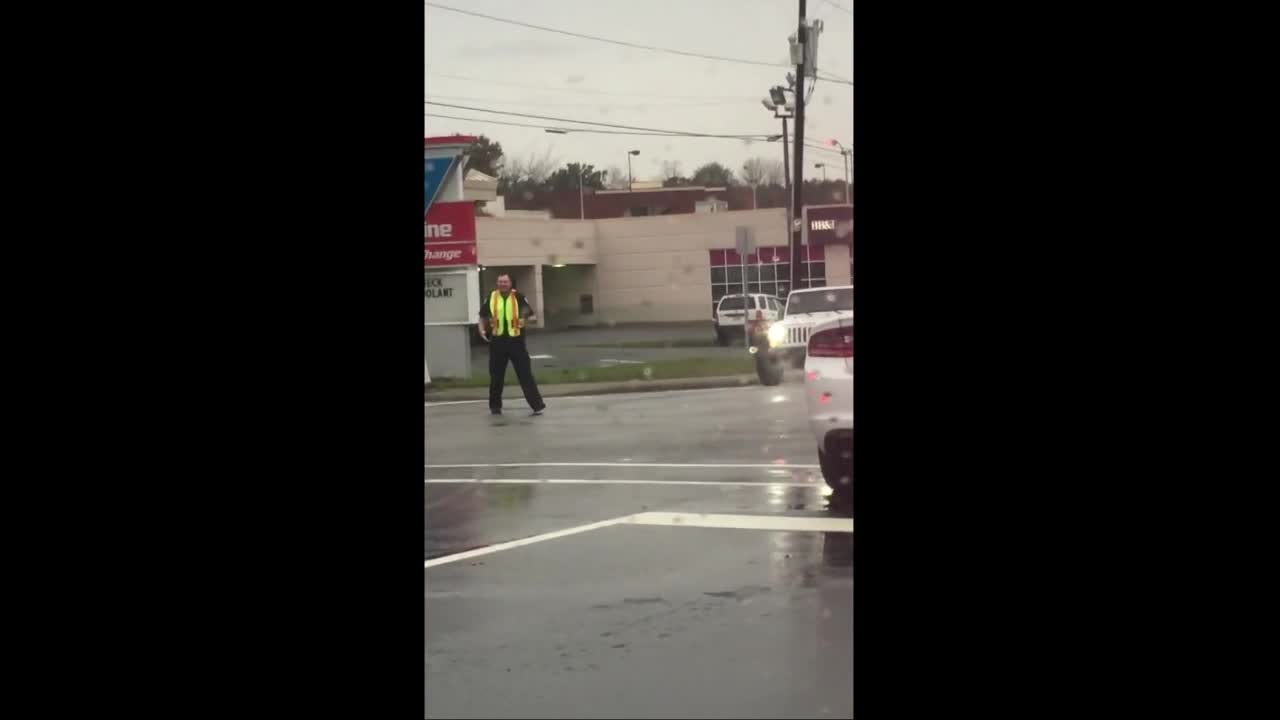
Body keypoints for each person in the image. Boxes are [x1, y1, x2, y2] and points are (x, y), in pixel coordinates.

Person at [478, 274, 546, 416]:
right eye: (500, 282)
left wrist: (527, 319)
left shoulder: (519, 297)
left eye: (505, 281)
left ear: (510, 283)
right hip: (497, 342)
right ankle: (495, 407)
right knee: (496, 376)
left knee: (525, 374)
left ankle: (537, 405)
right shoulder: (491, 297)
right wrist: (481, 330)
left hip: (516, 342)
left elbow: (531, 315)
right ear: (497, 283)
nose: (503, 284)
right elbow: (483, 316)